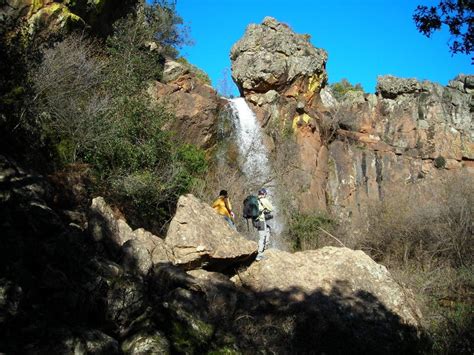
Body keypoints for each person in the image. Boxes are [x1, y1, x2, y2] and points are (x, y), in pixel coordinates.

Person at [254, 188, 274, 261]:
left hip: (255, 221)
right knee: (262, 237)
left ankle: (264, 248)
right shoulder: (264, 200)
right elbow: (271, 208)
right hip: (261, 221)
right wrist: (266, 209)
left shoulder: (256, 200)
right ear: (264, 194)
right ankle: (259, 255)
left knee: (268, 229)